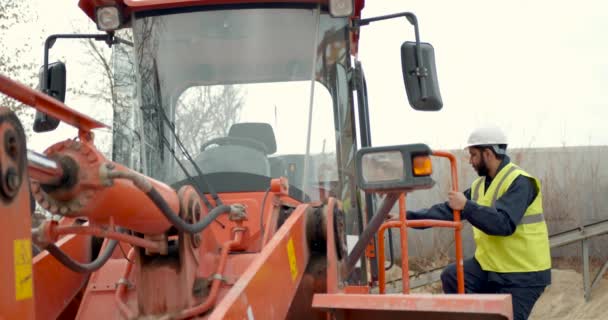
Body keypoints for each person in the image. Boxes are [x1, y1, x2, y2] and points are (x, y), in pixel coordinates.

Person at [407, 126, 551, 320]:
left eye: (473, 155)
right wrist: (405, 217)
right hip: (490, 267)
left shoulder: (520, 182)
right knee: (453, 276)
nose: (471, 161)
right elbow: (446, 211)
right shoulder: (479, 186)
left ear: (488, 154)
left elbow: (503, 224)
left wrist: (467, 206)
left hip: (523, 274)